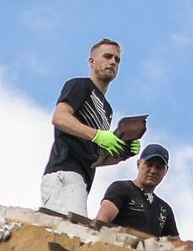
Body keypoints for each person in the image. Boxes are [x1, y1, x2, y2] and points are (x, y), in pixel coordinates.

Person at [41, 38, 137, 214]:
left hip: (83, 180)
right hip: (65, 172)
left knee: (73, 232)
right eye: (107, 56)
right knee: (69, 233)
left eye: (117, 60)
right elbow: (60, 117)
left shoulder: (107, 109)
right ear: (91, 61)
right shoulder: (80, 85)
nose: (113, 62)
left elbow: (94, 153)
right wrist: (98, 135)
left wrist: (121, 149)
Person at [96, 143, 179, 238]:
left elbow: (175, 243)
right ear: (139, 164)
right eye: (149, 164)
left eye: (159, 167)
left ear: (166, 170)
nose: (153, 171)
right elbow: (101, 221)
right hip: (115, 248)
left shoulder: (165, 209)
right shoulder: (122, 188)